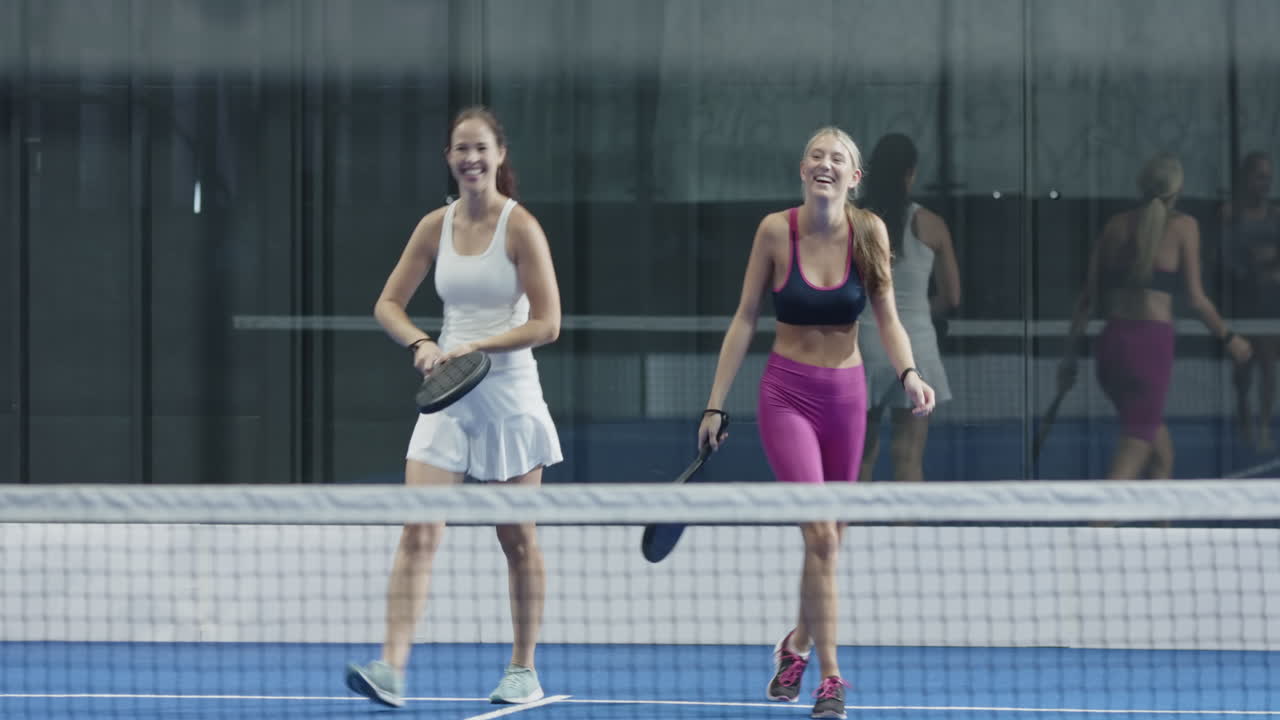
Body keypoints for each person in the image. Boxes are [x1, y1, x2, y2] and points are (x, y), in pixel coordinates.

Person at [697, 126, 936, 720]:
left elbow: (889, 317)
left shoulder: (871, 233)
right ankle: (830, 679)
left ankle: (795, 644)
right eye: (816, 156)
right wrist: (715, 401)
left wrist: (909, 373)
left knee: (830, 542)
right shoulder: (776, 232)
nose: (825, 164)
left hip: (848, 399)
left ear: (855, 178)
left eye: (839, 159)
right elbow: (745, 317)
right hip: (787, 396)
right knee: (822, 536)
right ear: (802, 170)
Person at [345, 106, 563, 708]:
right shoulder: (432, 227)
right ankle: (391, 667)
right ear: (449, 157)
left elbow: (549, 323)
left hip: (510, 395)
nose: (471, 158)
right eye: (460, 149)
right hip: (447, 396)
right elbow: (388, 303)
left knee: (517, 539)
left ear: (499, 156)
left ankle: (523, 670)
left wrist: (478, 347)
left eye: (481, 149)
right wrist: (422, 342)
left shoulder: (521, 228)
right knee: (419, 528)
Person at [1060, 152, 1251, 481]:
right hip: (1149, 351)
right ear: (1177, 190)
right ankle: (1093, 528)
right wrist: (1230, 339)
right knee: (1133, 454)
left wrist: (1069, 358)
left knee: (1161, 454)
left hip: (1112, 348)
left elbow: (1086, 301)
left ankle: (1160, 531)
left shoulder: (1114, 226)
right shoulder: (1184, 227)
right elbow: (1196, 298)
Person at [856, 134, 961, 483]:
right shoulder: (933, 225)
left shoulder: (855, 224)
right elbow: (952, 298)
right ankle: (903, 535)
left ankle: (846, 536)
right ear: (911, 173)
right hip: (917, 347)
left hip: (865, 346)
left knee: (861, 456)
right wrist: (916, 315)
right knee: (909, 457)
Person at [1223, 151, 1280, 451]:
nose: (1265, 184)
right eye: (1260, 177)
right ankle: (1244, 416)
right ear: (1247, 179)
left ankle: (1264, 425)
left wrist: (1273, 268)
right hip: (1244, 298)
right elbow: (1224, 257)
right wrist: (1250, 266)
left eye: (1269, 178)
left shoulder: (1275, 214)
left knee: (1269, 365)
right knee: (1243, 366)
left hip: (1270, 299)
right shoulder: (1233, 213)